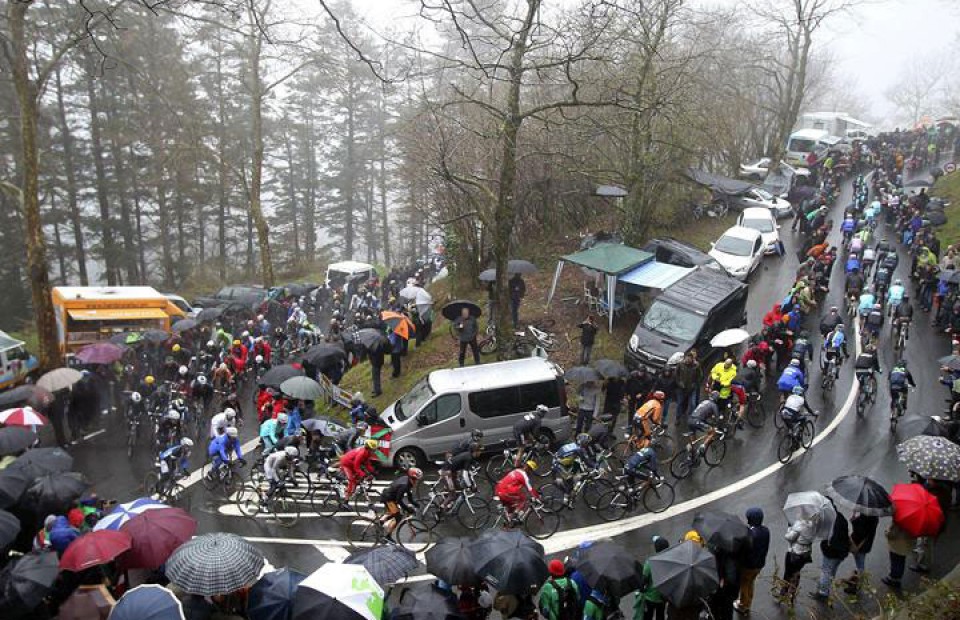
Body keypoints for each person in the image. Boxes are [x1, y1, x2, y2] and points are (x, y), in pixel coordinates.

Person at [811, 501, 850, 601]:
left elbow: (822, 535)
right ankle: (826, 588)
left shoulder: (829, 521)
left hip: (831, 553)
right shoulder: (840, 517)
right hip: (842, 552)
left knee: (826, 571)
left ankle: (823, 593)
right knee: (832, 570)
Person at [735, 507, 770, 615]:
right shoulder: (765, 530)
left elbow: (743, 550)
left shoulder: (750, 535)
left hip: (748, 566)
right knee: (751, 583)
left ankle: (743, 606)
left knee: (744, 584)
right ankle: (748, 602)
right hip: (759, 564)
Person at [779, 517, 814, 605]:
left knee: (788, 573)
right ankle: (793, 592)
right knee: (797, 573)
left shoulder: (800, 525)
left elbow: (789, 537)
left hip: (794, 553)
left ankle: (784, 590)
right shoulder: (814, 525)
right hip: (805, 553)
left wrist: (790, 528)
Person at [843, 511, 880, 594]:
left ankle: (857, 586)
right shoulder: (875, 516)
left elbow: (859, 532)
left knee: (860, 565)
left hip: (859, 545)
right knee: (860, 563)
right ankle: (856, 580)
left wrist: (853, 521)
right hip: (866, 544)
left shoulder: (865, 517)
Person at [634, 536, 670, 620]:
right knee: (660, 616)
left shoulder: (650, 563)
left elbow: (643, 581)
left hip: (650, 598)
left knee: (647, 617)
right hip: (662, 597)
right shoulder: (670, 563)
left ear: (656, 548)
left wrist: (641, 589)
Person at [380, 468, 422, 534]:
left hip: (391, 496)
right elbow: (398, 500)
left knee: (395, 512)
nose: (417, 482)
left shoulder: (408, 480)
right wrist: (408, 509)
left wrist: (415, 504)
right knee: (398, 517)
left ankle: (382, 521)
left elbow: (409, 496)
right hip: (389, 499)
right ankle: (388, 536)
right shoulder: (404, 486)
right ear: (412, 478)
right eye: (416, 480)